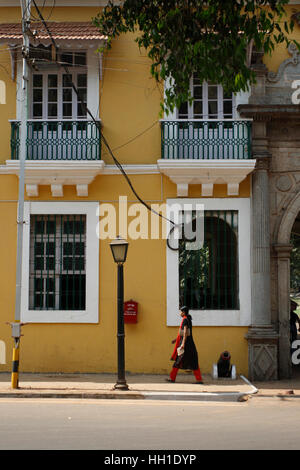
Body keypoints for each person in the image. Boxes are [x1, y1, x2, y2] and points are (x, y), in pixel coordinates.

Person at [166, 306, 203, 383]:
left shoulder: (185, 320)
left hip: (185, 345)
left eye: (181, 312)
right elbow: (185, 333)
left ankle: (172, 378)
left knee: (178, 361)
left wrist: (182, 344)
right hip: (190, 345)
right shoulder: (188, 319)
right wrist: (176, 340)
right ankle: (199, 379)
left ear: (184, 312)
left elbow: (185, 332)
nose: (180, 313)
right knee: (194, 361)